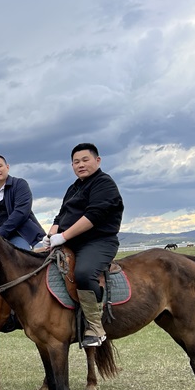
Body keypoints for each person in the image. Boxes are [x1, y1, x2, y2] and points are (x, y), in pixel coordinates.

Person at [42, 143, 124, 347]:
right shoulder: (73, 188)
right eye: (76, 162)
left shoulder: (104, 183)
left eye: (85, 160)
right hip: (71, 241)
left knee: (84, 273)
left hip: (99, 241)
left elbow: (93, 215)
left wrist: (63, 236)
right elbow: (61, 215)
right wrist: (51, 235)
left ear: (97, 160)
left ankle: (95, 328)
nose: (80, 165)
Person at [0, 154, 45, 250]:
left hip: (19, 235)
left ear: (7, 167)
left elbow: (21, 213)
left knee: (21, 260)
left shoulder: (20, 185)